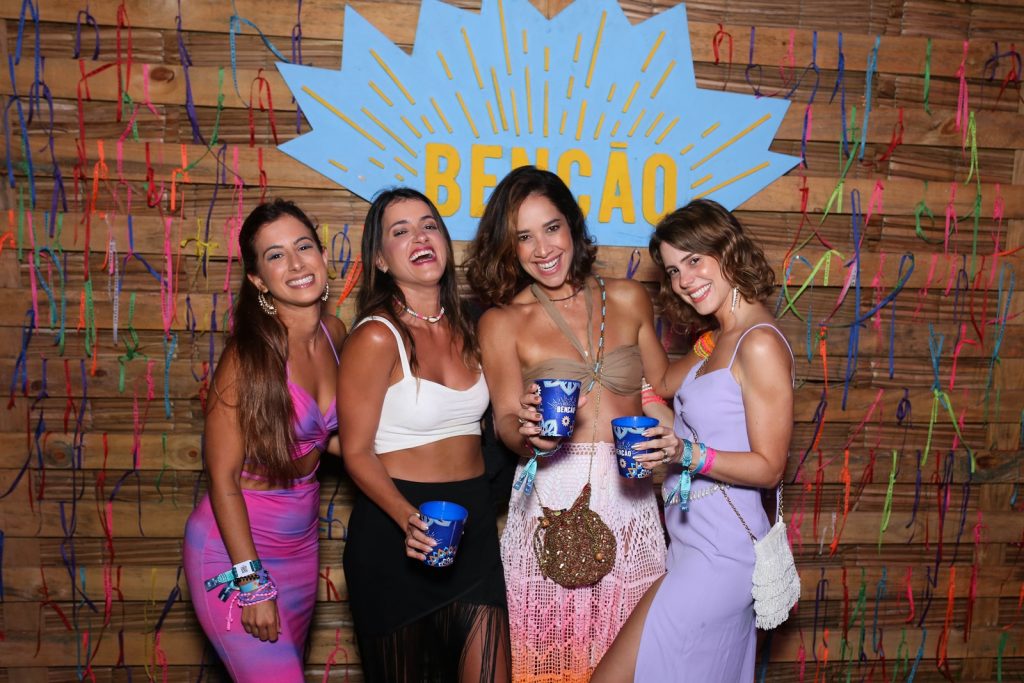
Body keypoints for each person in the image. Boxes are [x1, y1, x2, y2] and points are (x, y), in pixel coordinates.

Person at [464, 165, 674, 681]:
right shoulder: (501, 321)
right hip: (551, 504)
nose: (542, 249)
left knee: (638, 660)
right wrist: (529, 435)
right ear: (508, 247)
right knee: (548, 662)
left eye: (551, 227)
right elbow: (506, 422)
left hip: (631, 500)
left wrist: (727, 340)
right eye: (524, 237)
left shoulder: (628, 297)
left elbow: (662, 386)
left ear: (573, 226)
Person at [591, 199, 794, 682]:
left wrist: (686, 453)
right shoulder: (717, 339)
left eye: (694, 260)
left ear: (728, 249)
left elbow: (769, 467)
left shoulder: (758, 342)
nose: (684, 280)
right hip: (689, 543)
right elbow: (663, 383)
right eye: (673, 270)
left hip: (721, 553)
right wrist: (625, 317)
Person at [338, 188, 510, 683]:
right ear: (380, 259)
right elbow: (355, 452)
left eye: (429, 225)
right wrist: (408, 519)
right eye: (401, 231)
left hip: (473, 527)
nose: (420, 237)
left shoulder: (471, 326)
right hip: (397, 531)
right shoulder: (376, 335)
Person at [183, 199, 345, 681]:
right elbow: (222, 478)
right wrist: (251, 582)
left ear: (322, 255)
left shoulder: (335, 334)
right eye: (275, 255)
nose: (296, 264)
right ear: (257, 279)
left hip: (302, 548)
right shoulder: (247, 359)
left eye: (303, 247)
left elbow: (323, 439)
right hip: (235, 553)